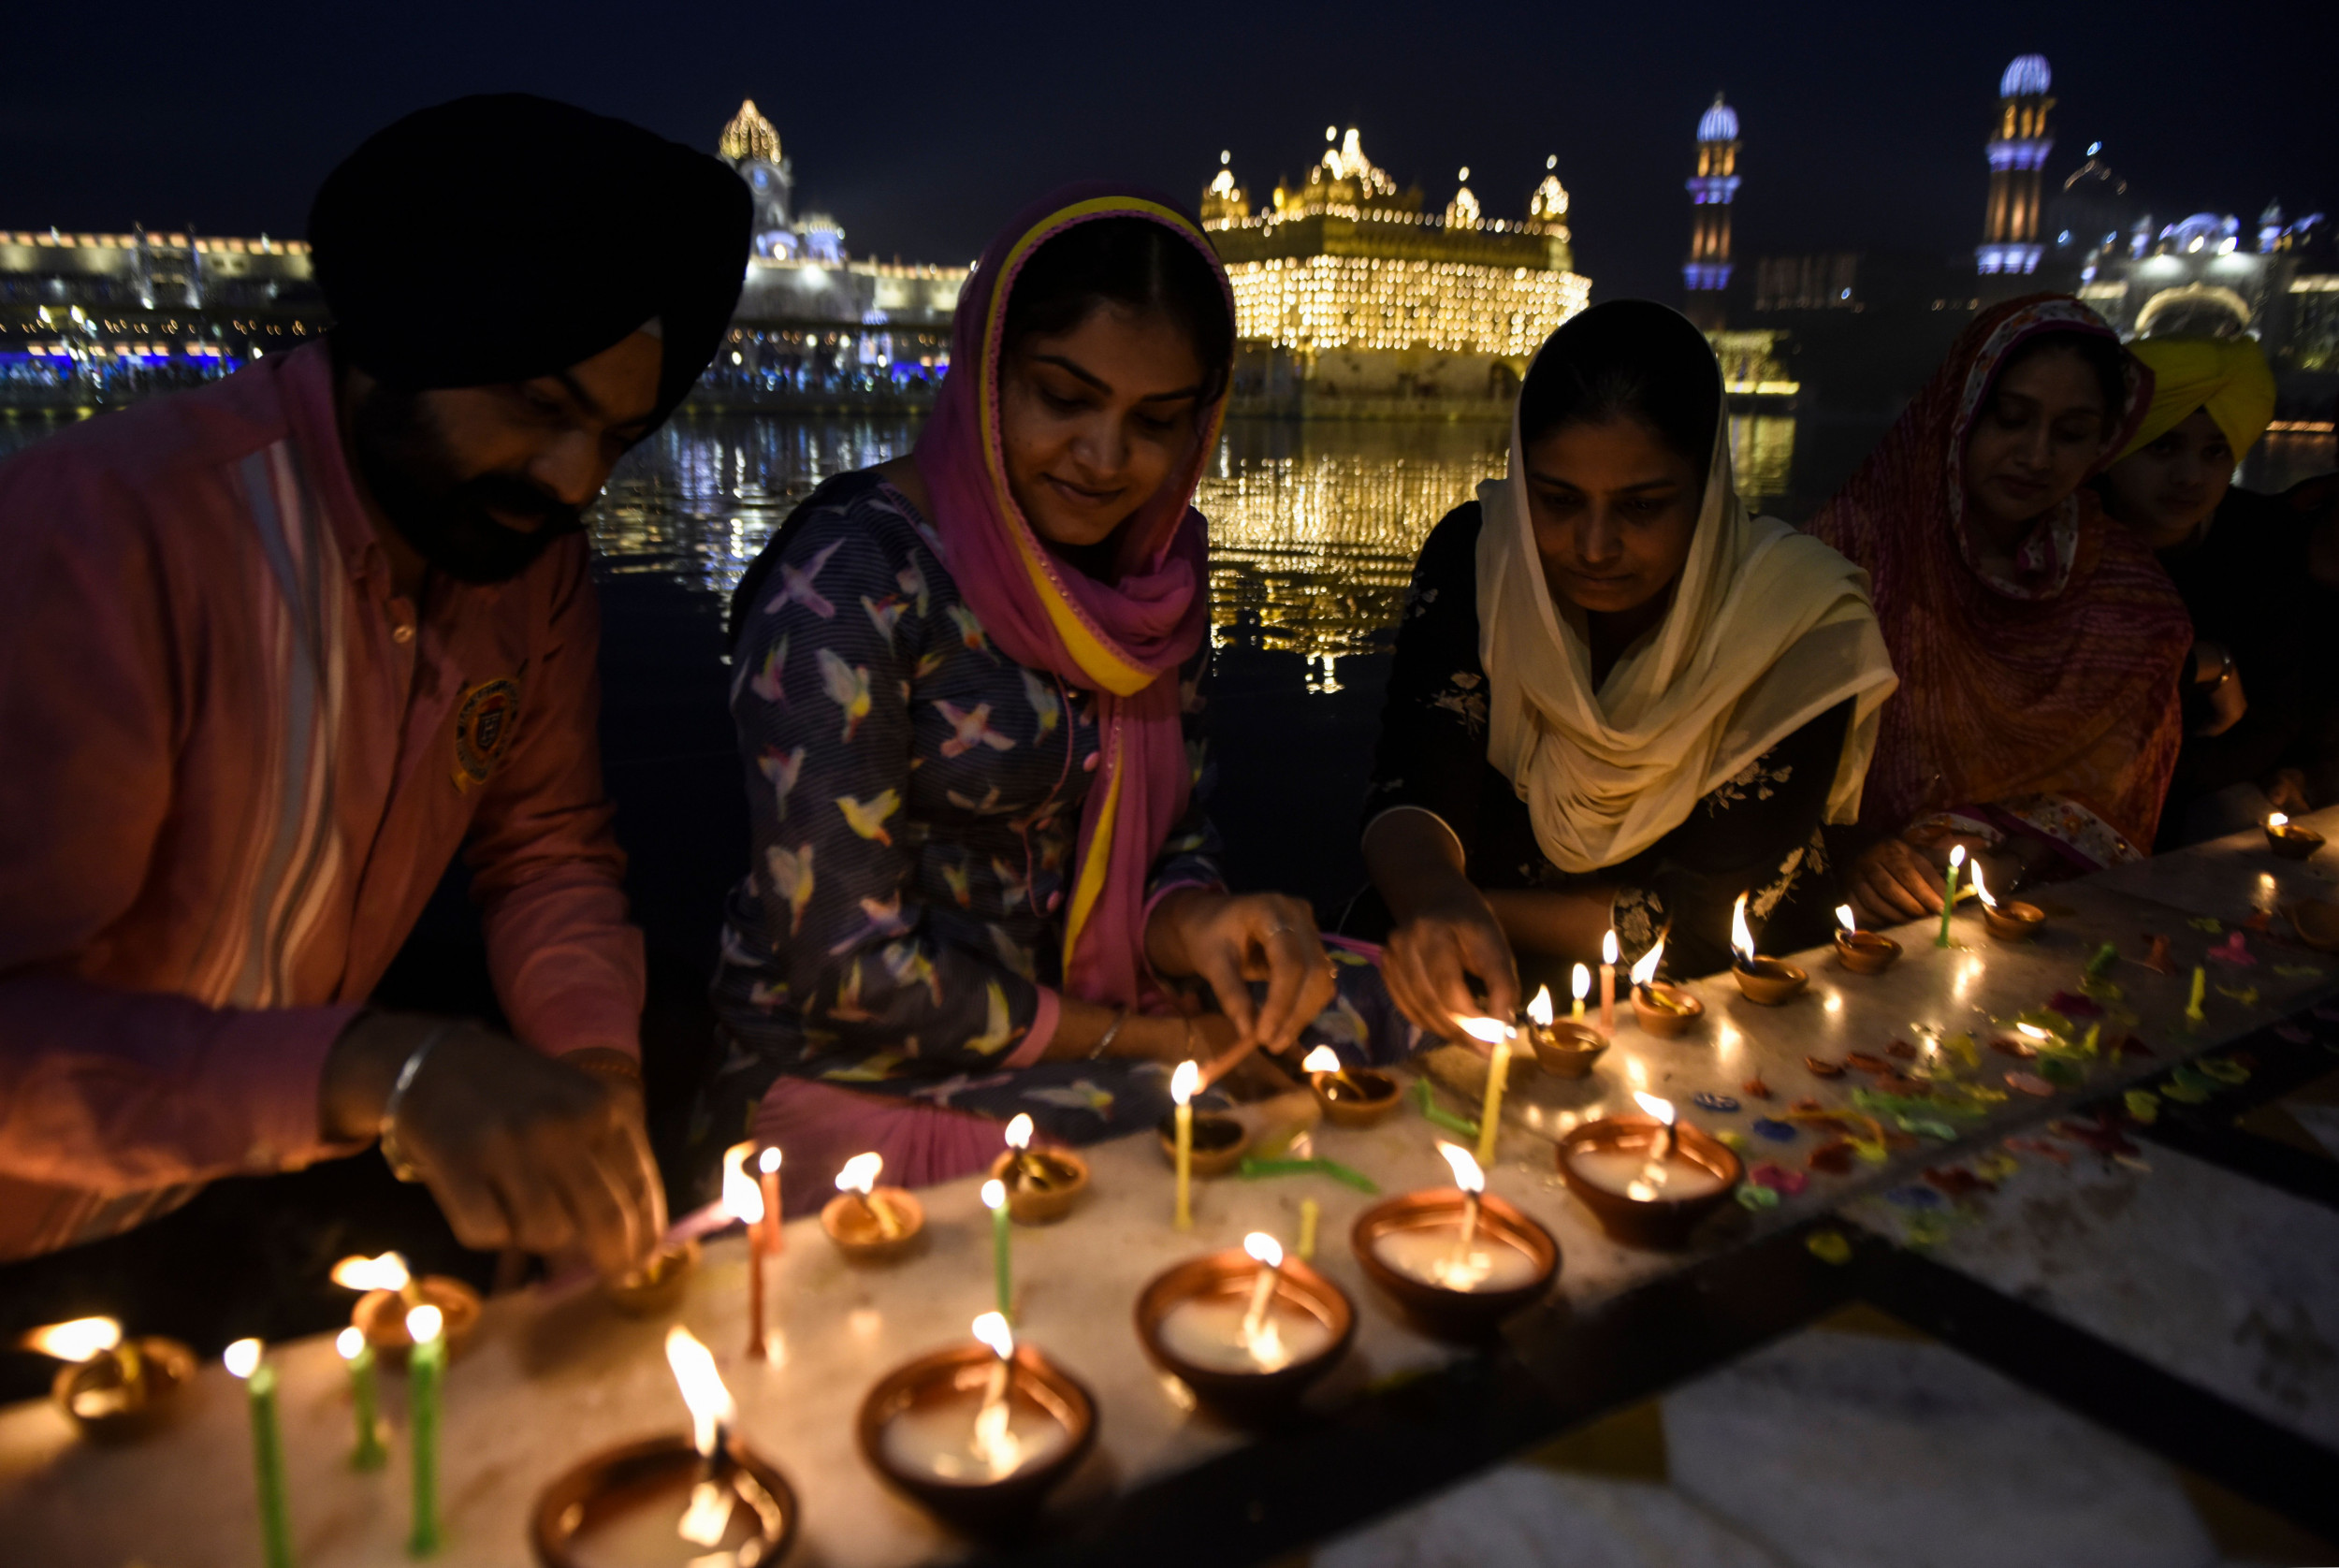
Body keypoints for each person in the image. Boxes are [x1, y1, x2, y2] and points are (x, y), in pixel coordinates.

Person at [0, 96, 749, 1308]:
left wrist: (591, 1083)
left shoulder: (526, 564)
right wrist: (385, 1070)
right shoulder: (109, 540)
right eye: (539, 407)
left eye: (616, 436)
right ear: (410, 334)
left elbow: (545, 848)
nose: (575, 483)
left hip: (255, 1161)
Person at [708, 187, 1402, 1215]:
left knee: (1390, 1016)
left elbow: (1175, 845)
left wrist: (1208, 922)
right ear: (987, 376)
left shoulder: (1149, 585)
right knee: (1225, 1145)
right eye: (1062, 397)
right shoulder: (853, 580)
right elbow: (853, 970)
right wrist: (1160, 1039)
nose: (1105, 458)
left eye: (1155, 421)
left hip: (1099, 1009)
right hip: (858, 1058)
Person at [1355, 300, 1896, 1026]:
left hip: (1719, 1002)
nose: (1595, 546)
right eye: (1556, 500)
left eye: (1641, 507)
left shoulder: (1798, 622)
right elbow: (1414, 780)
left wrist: (1458, 909)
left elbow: (1703, 922)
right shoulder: (1483, 558)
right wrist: (1434, 899)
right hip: (1472, 973)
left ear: (1707, 490)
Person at [1811, 296, 2191, 924]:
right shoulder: (1853, 554)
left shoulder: (2129, 599)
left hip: (2035, 915)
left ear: (2104, 442)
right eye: (2010, 420)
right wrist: (1860, 854)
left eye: (2070, 434)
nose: (2036, 456)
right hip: (1849, 908)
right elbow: (1775, 755)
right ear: (1956, 416)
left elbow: (2114, 791)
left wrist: (2008, 863)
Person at [2092, 335, 2303, 847]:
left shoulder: (2263, 539)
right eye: (2163, 445)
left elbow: (2273, 714)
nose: (2190, 477)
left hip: (2197, 796)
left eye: (2215, 451)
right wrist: (2202, 664)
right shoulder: (2059, 536)